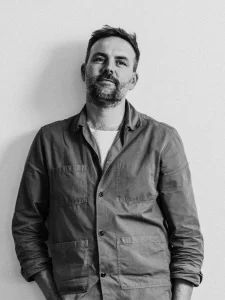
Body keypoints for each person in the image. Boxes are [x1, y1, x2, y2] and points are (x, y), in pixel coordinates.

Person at [12, 25, 204, 300]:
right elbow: (26, 226)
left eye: (120, 62)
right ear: (84, 70)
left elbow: (186, 234)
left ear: (133, 79)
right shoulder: (50, 140)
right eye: (99, 58)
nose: (108, 68)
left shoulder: (162, 140)